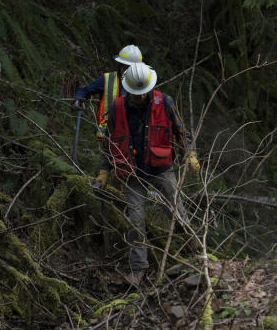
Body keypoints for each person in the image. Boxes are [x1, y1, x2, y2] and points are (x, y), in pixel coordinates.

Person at [96, 62, 201, 287]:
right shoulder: (117, 107)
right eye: (136, 94)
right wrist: (105, 170)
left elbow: (182, 132)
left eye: (143, 93)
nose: (140, 97)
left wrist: (190, 154)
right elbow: (110, 142)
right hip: (133, 171)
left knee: (178, 214)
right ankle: (138, 270)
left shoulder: (165, 102)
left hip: (161, 168)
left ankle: (199, 256)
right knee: (135, 221)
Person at [73, 44, 143, 141]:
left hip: (132, 136)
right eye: (127, 67)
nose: (128, 71)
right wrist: (78, 99)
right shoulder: (107, 79)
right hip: (108, 135)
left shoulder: (141, 84)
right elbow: (84, 91)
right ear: (121, 65)